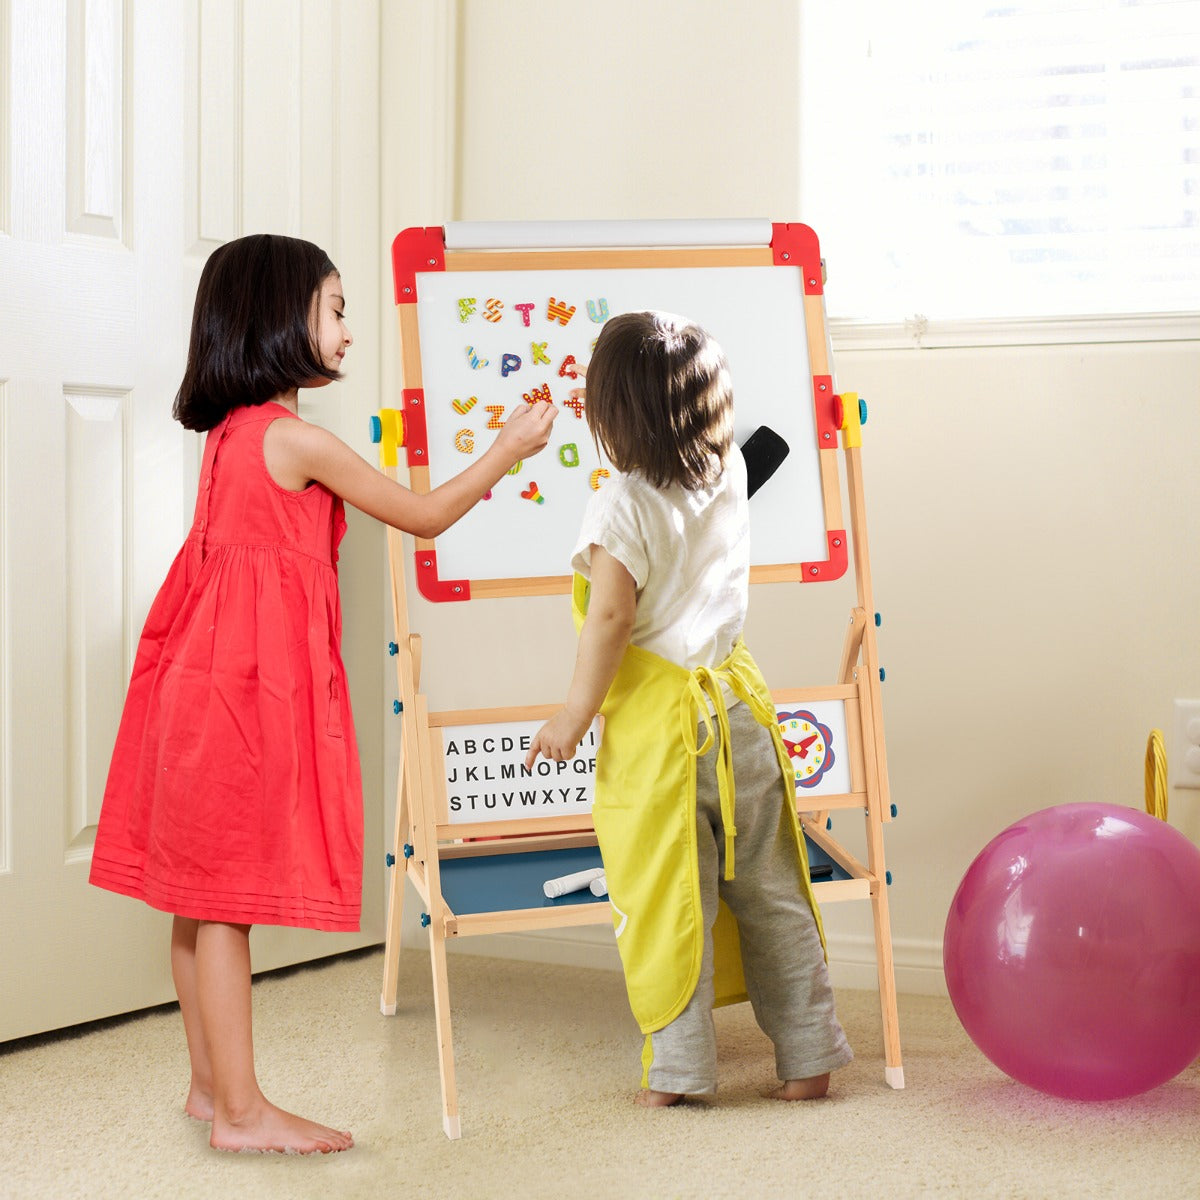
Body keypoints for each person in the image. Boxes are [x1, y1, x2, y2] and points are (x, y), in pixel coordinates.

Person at [90, 233, 557, 1154]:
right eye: (337, 308)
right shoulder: (294, 439)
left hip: (197, 685)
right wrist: (509, 447)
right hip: (238, 697)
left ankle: (207, 1085)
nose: (350, 328)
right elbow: (420, 517)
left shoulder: (231, 438)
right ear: (281, 316)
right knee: (223, 902)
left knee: (199, 897)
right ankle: (241, 1111)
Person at [525, 311, 851, 1106]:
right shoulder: (729, 473)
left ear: (612, 414)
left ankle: (679, 1074)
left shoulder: (621, 506)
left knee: (671, 897)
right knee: (772, 888)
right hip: (740, 711)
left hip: (664, 735)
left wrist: (572, 715)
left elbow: (609, 621)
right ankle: (809, 1057)